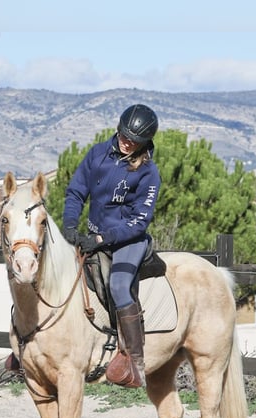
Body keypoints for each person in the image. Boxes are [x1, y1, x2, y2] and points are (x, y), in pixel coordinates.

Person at [62, 103, 161, 389]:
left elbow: (139, 221)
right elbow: (76, 191)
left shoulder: (148, 173)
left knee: (118, 285)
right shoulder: (97, 154)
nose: (126, 142)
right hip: (92, 234)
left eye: (134, 140)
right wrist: (70, 225)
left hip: (128, 239)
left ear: (144, 143)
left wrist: (103, 239)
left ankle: (134, 361)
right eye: (123, 135)